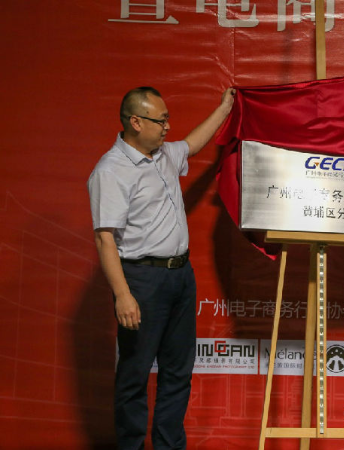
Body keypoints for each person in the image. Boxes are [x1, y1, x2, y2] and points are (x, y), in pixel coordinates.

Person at [87, 86, 235, 449]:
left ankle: (169, 445)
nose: (168, 127)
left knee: (177, 372)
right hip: (141, 280)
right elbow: (105, 239)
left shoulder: (164, 154)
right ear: (136, 122)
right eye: (161, 120)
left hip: (180, 276)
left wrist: (225, 108)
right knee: (135, 374)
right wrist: (123, 295)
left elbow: (192, 144)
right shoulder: (111, 170)